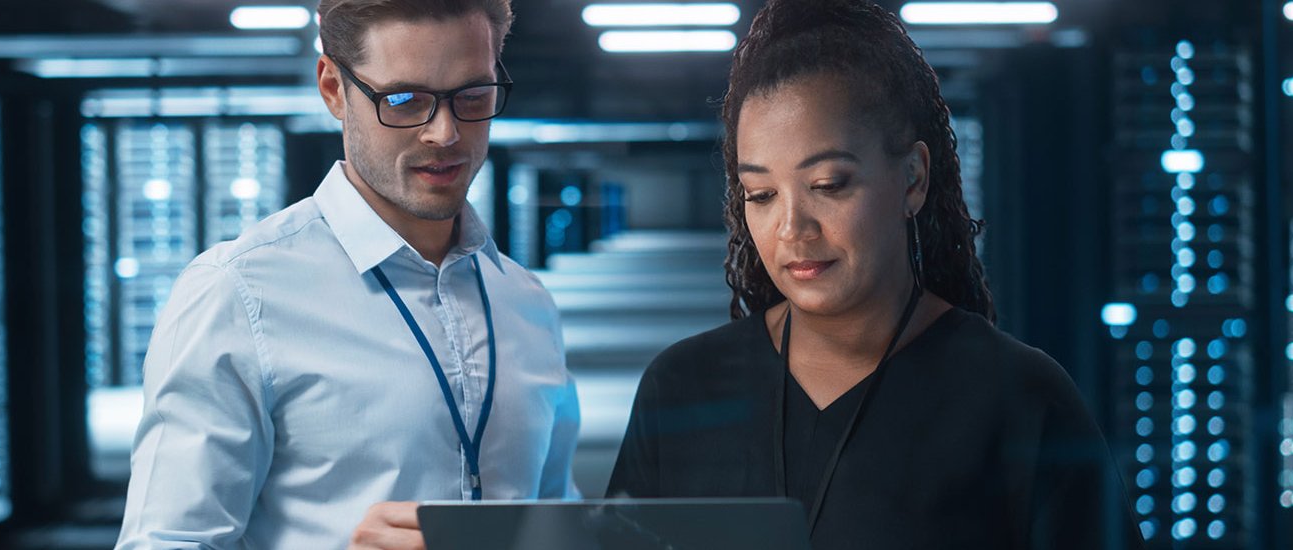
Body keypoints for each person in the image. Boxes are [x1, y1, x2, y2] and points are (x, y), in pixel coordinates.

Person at [606, 0, 1134, 548]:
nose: (791, 228)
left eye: (829, 184)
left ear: (912, 179)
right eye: (760, 195)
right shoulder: (682, 387)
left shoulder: (1020, 399)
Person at [115, 1, 581, 548]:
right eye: (404, 100)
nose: (445, 133)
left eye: (472, 96)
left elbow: (557, 523)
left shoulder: (526, 302)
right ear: (333, 88)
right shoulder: (238, 293)